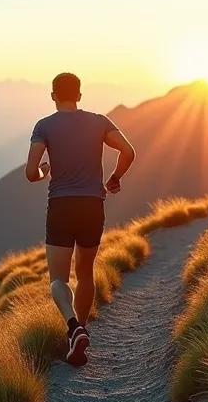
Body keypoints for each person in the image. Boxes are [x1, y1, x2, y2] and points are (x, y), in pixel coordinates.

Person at [26, 72, 136, 367]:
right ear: (79, 95)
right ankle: (80, 335)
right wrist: (114, 178)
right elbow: (128, 151)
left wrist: (45, 171)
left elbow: (31, 172)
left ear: (53, 96)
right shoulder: (99, 122)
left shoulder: (44, 126)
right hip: (92, 206)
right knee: (85, 273)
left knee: (58, 279)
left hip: (61, 207)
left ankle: (73, 327)